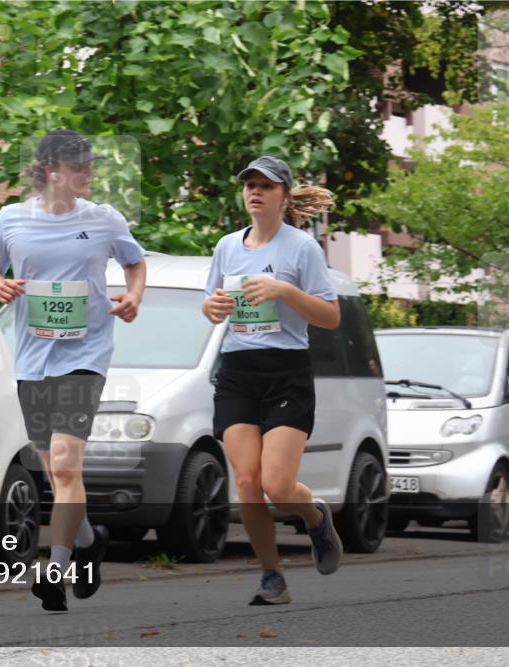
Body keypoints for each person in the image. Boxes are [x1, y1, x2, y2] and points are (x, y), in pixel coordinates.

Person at [0, 129, 147, 612]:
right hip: (32, 356)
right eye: (79, 166)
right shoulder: (11, 219)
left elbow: (135, 263)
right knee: (54, 470)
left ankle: (56, 568)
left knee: (67, 463)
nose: (89, 173)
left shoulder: (105, 219)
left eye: (91, 165)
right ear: (51, 171)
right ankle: (90, 541)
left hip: (85, 354)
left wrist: (134, 296)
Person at [202, 155, 342, 605]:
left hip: (286, 371)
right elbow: (210, 304)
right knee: (245, 482)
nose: (255, 192)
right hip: (238, 370)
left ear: (284, 196)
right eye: (249, 185)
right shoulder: (227, 247)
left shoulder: (301, 248)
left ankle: (316, 519)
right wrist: (215, 308)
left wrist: (285, 291)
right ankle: (272, 576)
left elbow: (331, 316)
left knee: (277, 486)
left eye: (266, 186)